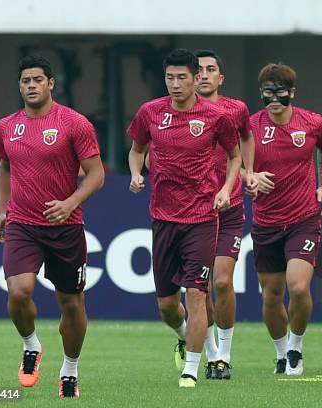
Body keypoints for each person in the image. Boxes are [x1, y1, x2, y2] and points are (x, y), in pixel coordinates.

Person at [0, 55, 105, 398]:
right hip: (23, 225)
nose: (31, 86)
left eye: (38, 80)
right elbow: (5, 168)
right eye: (25, 81)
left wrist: (70, 203)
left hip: (65, 227)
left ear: (51, 83)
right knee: (18, 292)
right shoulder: (7, 126)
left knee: (71, 304)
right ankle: (31, 346)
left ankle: (69, 370)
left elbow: (96, 174)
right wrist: (1, 211)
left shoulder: (74, 123)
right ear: (19, 86)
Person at [127, 48, 241, 387]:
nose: (175, 84)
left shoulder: (216, 116)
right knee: (167, 305)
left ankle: (191, 369)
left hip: (202, 218)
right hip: (163, 219)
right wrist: (136, 173)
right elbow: (136, 149)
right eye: (170, 77)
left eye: (182, 77)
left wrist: (225, 189)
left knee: (197, 293)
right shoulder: (150, 112)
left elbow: (235, 157)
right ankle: (181, 336)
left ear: (195, 79)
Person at [250, 63, 322, 375]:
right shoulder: (250, 127)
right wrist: (250, 175)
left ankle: (297, 346)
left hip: (304, 218)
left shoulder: (312, 122)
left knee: (298, 288)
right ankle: (281, 352)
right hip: (266, 221)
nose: (273, 99)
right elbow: (231, 161)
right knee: (271, 296)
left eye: (279, 92)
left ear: (292, 93)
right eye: (267, 93)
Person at [193, 49, 257, 380]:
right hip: (190, 212)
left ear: (221, 78)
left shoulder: (236, 109)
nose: (203, 74)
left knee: (221, 281)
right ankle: (211, 355)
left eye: (210, 69)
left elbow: (247, 137)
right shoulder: (174, 111)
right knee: (198, 288)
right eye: (198, 70)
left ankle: (226, 353)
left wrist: (249, 171)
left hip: (228, 207)